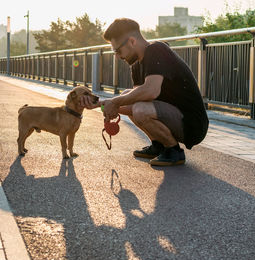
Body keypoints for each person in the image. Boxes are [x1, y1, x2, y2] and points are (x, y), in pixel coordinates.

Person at [82, 18, 209, 166]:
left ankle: (173, 150)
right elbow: (133, 102)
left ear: (132, 41)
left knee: (139, 108)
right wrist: (101, 105)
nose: (116, 56)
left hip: (192, 123)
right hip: (172, 116)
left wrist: (114, 102)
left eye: (117, 50)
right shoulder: (136, 64)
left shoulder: (156, 50)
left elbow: (151, 91)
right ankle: (158, 145)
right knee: (129, 96)